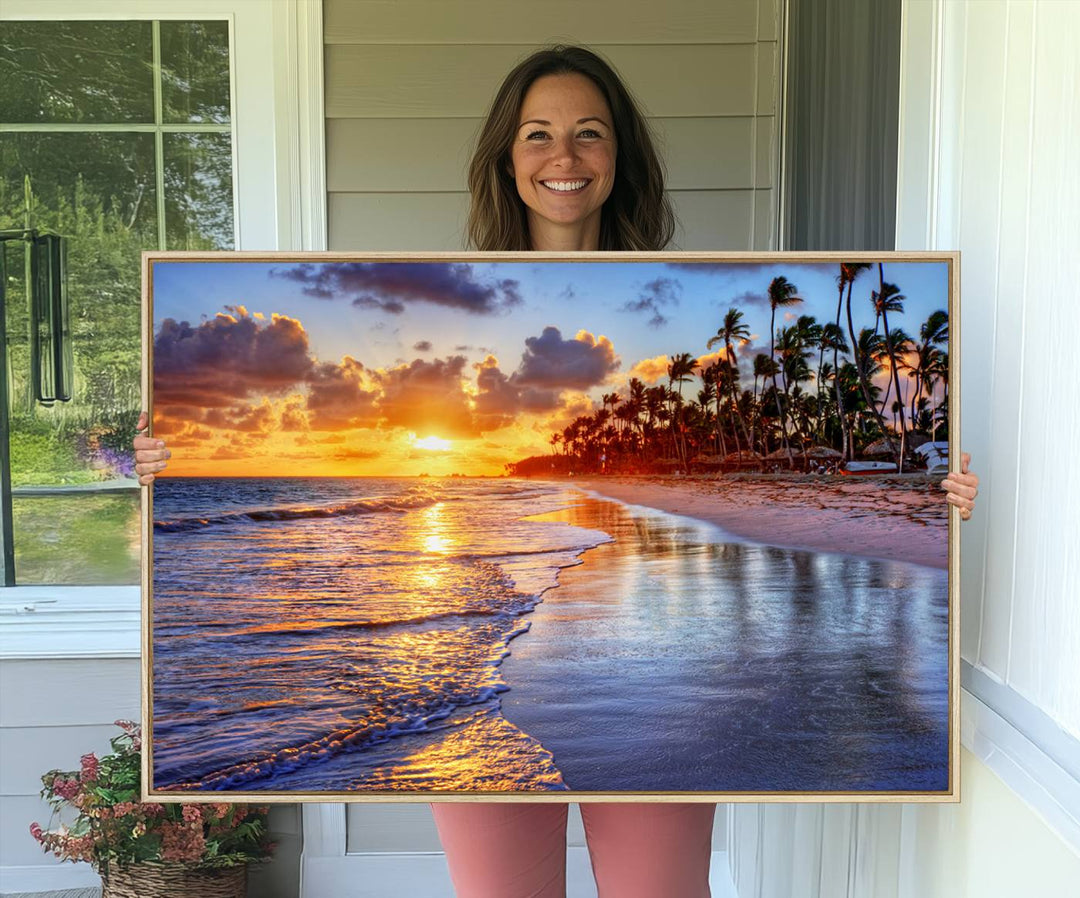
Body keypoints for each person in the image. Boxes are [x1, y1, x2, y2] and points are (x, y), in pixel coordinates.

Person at [134, 45, 980, 898]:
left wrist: (934, 493)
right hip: (472, 687)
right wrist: (171, 456)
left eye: (589, 134)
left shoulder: (686, 308)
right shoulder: (449, 298)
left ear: (619, 158)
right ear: (508, 158)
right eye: (538, 134)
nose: (564, 157)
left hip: (650, 701)